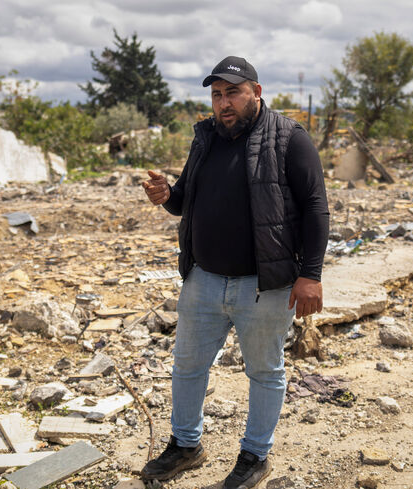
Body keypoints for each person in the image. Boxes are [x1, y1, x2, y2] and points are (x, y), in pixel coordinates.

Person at [140, 55, 329, 488]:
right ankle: (187, 445)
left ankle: (255, 456)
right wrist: (167, 193)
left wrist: (311, 275)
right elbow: (184, 199)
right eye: (217, 94)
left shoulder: (289, 137)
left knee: (264, 372)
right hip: (203, 279)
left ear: (256, 93)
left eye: (233, 92)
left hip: (264, 286)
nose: (223, 103)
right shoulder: (206, 137)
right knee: (187, 366)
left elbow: (317, 207)